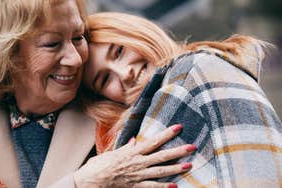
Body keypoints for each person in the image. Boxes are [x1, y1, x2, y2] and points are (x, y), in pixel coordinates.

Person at [0, 1, 197, 188]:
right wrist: (82, 183)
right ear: (9, 56)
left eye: (78, 37)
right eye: (52, 44)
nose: (76, 59)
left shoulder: (119, 110)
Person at [81, 12, 282, 187]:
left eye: (119, 52)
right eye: (105, 79)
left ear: (136, 32)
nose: (125, 73)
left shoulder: (197, 70)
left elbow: (261, 170)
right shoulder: (128, 137)